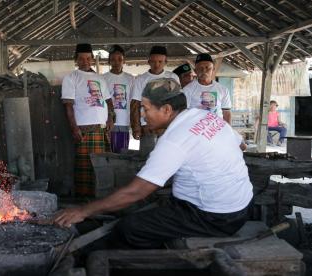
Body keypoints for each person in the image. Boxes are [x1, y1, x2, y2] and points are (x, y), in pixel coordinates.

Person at [55, 78, 253, 249]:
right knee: (146, 206)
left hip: (213, 218)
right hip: (241, 207)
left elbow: (136, 192)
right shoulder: (206, 116)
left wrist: (83, 211)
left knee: (130, 227)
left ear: (166, 110)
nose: (142, 114)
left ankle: (153, 262)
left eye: (146, 108)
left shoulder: (174, 139)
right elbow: (241, 145)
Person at [61, 43, 115, 197]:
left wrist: (111, 119)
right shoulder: (71, 78)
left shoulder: (100, 78)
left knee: (101, 165)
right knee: (85, 166)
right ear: (76, 60)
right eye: (81, 58)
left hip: (102, 129)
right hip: (84, 130)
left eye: (88, 58)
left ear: (92, 59)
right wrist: (74, 128)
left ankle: (100, 197)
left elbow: (109, 101)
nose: (85, 61)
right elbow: (68, 106)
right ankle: (84, 200)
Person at [130, 46, 180, 155]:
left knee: (168, 156)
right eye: (153, 61)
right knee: (146, 157)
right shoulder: (141, 79)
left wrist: (176, 124)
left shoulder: (172, 77)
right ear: (149, 61)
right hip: (147, 126)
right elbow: (135, 104)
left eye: (160, 61)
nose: (156, 64)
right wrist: (136, 127)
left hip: (167, 127)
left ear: (165, 61)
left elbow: (177, 103)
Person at [102, 45, 134, 153]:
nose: (116, 62)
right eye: (113, 60)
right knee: (109, 152)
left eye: (120, 59)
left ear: (124, 61)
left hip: (124, 121)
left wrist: (133, 121)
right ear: (109, 61)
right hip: (108, 122)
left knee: (122, 153)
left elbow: (133, 101)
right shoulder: (103, 78)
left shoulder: (130, 78)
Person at [183, 53, 232, 124]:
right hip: (196, 130)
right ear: (195, 70)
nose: (204, 71)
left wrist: (228, 132)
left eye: (207, 68)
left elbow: (226, 113)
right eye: (200, 68)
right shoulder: (187, 90)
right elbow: (184, 114)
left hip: (217, 130)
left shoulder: (223, 90)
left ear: (213, 69)